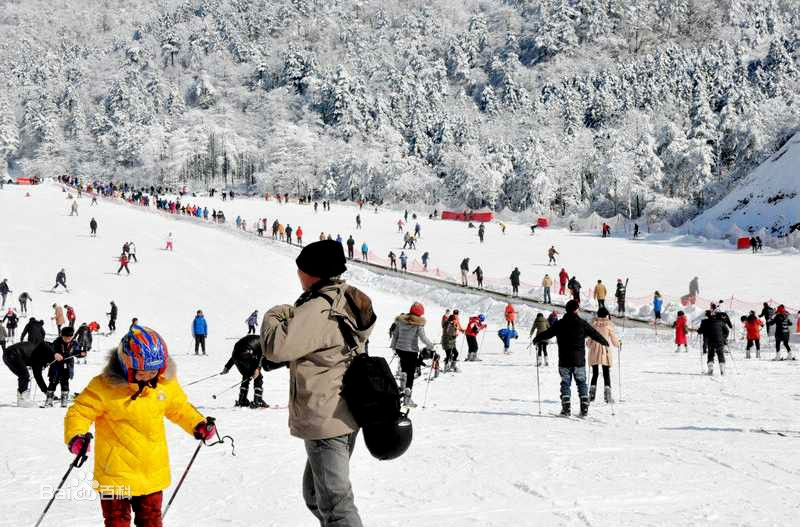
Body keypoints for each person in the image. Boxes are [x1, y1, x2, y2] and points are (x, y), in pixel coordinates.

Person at [261, 239, 375, 527]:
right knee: (315, 495)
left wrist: (275, 314)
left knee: (336, 505)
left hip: (328, 416)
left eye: (301, 269)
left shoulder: (319, 309)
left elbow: (276, 347)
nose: (298, 274)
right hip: (342, 412)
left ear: (315, 273)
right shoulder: (345, 297)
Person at [64, 326, 216, 526]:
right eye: (143, 372)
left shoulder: (164, 385)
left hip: (151, 471)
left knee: (151, 520)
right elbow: (80, 411)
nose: (148, 377)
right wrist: (77, 436)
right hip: (114, 473)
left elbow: (180, 408)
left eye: (154, 371)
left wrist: (198, 424)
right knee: (116, 521)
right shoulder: (104, 387)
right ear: (126, 364)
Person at [533, 300, 609, 417]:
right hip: (579, 361)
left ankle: (566, 408)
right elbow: (594, 333)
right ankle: (584, 408)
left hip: (564, 361)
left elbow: (548, 333)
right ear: (575, 310)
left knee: (565, 383)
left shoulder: (560, 323)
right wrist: (604, 341)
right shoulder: (582, 323)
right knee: (581, 383)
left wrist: (537, 338)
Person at [390, 302, 434, 407]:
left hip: (400, 349)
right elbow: (423, 338)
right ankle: (407, 399)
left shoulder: (401, 321)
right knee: (410, 374)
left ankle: (401, 390)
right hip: (411, 351)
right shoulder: (419, 324)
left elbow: (395, 335)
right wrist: (430, 346)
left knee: (404, 370)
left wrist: (393, 346)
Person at [221, 335, 279, 408]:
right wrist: (257, 369)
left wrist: (227, 367)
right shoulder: (264, 342)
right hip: (246, 355)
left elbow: (237, 353)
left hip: (236, 356)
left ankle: (242, 399)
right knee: (258, 377)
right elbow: (261, 356)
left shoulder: (256, 338)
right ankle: (258, 400)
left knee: (246, 375)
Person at [43, 327, 87, 407]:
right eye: (66, 337)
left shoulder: (74, 343)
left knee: (65, 382)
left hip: (67, 366)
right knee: (53, 382)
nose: (68, 339)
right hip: (56, 366)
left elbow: (76, 352)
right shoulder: (57, 342)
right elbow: (51, 350)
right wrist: (55, 354)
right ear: (62, 336)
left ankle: (64, 400)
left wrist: (81, 353)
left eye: (69, 337)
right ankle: (49, 400)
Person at [587, 307, 621, 404]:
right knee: (606, 373)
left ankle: (591, 395)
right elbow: (614, 340)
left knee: (595, 373)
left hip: (594, 350)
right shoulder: (609, 325)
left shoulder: (594, 324)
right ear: (606, 315)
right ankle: (608, 396)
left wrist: (588, 344)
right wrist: (619, 343)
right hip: (604, 351)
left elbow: (589, 341)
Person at [697, 311, 729, 375]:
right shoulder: (721, 322)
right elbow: (727, 331)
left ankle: (710, 369)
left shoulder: (705, 322)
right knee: (720, 354)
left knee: (711, 354)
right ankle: (722, 369)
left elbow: (700, 331)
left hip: (710, 341)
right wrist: (723, 338)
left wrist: (698, 330)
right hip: (720, 341)